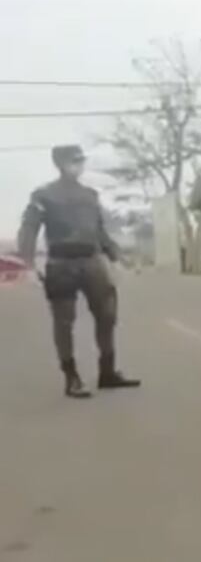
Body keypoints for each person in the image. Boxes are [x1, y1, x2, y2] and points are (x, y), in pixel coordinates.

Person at [17, 145, 140, 399]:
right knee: (64, 322)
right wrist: (28, 264)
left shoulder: (90, 195)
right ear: (60, 164)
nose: (79, 165)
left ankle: (107, 372)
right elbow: (28, 230)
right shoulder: (43, 195)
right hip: (61, 264)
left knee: (107, 316)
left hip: (92, 261)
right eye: (74, 161)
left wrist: (118, 257)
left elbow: (100, 232)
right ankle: (71, 377)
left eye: (81, 161)